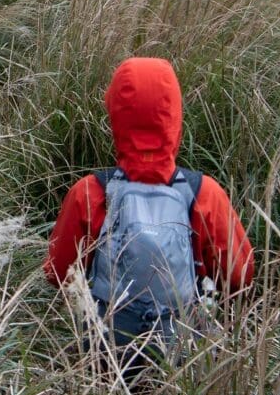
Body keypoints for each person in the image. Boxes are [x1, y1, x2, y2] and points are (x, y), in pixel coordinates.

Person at [43, 57, 256, 367]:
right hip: (182, 358)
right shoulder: (205, 193)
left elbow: (57, 273)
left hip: (106, 358)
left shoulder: (89, 193)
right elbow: (240, 275)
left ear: (115, 114)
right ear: (174, 116)